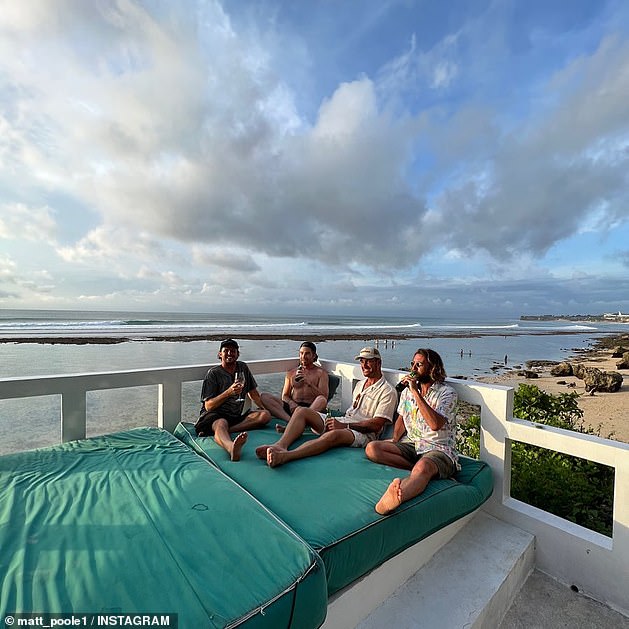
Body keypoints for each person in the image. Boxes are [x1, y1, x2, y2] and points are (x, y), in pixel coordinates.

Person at [256, 347, 397, 468]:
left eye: (369, 361)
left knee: (334, 435)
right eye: (362, 361)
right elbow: (351, 412)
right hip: (345, 420)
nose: (364, 365)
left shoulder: (387, 391)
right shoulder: (361, 384)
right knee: (302, 411)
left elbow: (376, 425)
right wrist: (339, 422)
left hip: (364, 434)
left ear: (378, 363)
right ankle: (280, 445)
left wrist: (345, 426)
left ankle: (287, 456)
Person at [365, 348, 458, 515]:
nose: (413, 369)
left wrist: (415, 391)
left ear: (432, 369)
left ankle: (393, 500)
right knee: (373, 448)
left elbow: (435, 424)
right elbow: (401, 417)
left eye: (419, 365)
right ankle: (420, 472)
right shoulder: (406, 392)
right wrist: (394, 440)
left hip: (438, 448)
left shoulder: (447, 393)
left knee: (422, 467)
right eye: (412, 364)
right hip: (412, 443)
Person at [195, 339, 271, 461]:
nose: (230, 353)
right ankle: (231, 448)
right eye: (226, 351)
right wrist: (228, 392)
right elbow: (208, 406)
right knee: (221, 423)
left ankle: (224, 431)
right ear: (220, 354)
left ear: (237, 354)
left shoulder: (242, 367)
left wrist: (265, 408)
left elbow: (253, 393)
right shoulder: (213, 373)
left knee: (265, 416)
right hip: (215, 415)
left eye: (233, 351)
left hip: (236, 416)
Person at [259, 341, 329, 425]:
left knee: (321, 400)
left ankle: (298, 422)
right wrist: (291, 403)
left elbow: (324, 396)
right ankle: (290, 421)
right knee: (264, 397)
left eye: (307, 354)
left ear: (313, 355)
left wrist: (309, 383)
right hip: (293, 407)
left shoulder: (321, 373)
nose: (303, 356)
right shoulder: (291, 373)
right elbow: (285, 395)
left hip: (311, 407)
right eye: (301, 353)